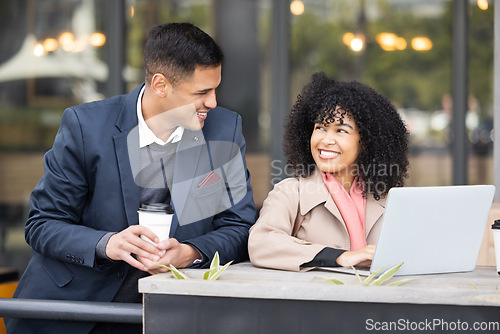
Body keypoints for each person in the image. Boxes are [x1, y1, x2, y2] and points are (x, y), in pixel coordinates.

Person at [6, 22, 256, 334]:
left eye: (215, 89)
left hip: (172, 315)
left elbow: (240, 226)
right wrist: (106, 244)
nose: (213, 102)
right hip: (73, 311)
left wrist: (190, 253)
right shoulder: (85, 126)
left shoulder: (224, 129)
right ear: (160, 85)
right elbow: (43, 224)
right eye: (202, 92)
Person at [248, 72, 409, 272]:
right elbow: (260, 244)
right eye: (321, 128)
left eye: (341, 131)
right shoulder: (290, 192)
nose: (326, 140)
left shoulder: (389, 197)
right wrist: (340, 257)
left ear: (366, 141)